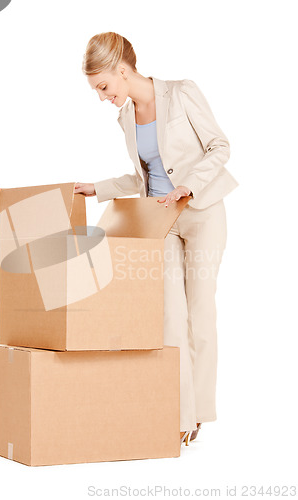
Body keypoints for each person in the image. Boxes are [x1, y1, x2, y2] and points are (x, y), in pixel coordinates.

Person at [75, 32, 238, 447]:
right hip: (161, 220)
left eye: (104, 87)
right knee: (168, 313)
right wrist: (100, 187)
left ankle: (200, 411)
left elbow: (219, 147)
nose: (102, 97)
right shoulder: (126, 118)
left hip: (201, 212)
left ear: (122, 70)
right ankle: (178, 411)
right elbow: (144, 174)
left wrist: (189, 186)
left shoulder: (182, 93)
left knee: (200, 313)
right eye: (97, 90)